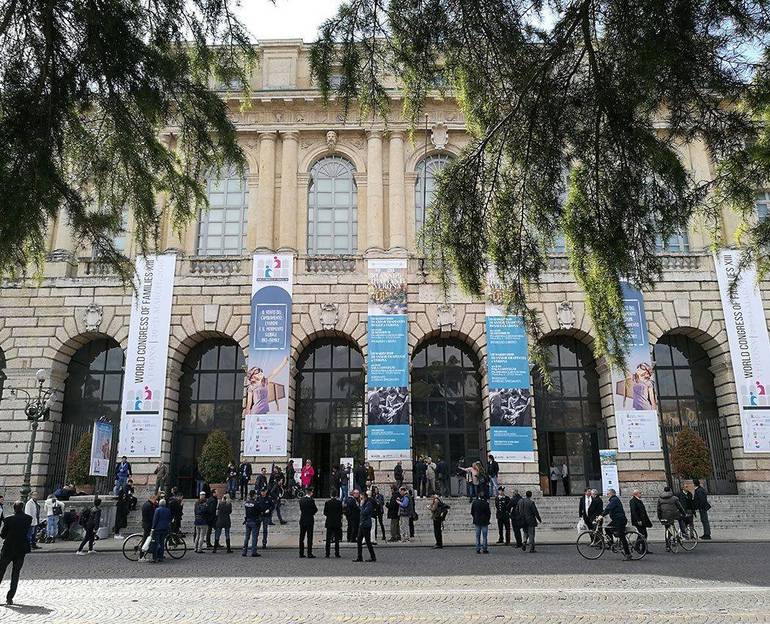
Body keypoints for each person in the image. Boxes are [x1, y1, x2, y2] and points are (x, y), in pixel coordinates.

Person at [0, 501, 32, 605]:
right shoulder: (28, 519)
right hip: (21, 549)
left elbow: (3, 535)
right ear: (22, 508)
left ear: (14, 508)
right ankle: (10, 597)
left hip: (8, 548)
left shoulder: (8, 519)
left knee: (1, 572)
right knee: (15, 574)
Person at [600, 489, 631, 560]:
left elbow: (608, 508)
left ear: (611, 494)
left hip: (620, 520)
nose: (607, 495)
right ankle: (612, 545)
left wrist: (601, 515)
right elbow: (607, 508)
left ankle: (628, 554)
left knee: (621, 536)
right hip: (616, 520)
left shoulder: (614, 499)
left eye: (608, 494)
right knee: (607, 529)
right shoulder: (613, 500)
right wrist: (601, 514)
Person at [657, 486, 687, 551]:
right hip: (674, 515)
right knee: (680, 519)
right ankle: (684, 532)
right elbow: (680, 507)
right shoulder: (674, 498)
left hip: (664, 515)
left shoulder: (660, 499)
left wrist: (659, 517)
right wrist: (684, 513)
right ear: (670, 490)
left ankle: (667, 546)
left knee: (667, 529)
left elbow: (658, 509)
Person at [354, 490, 376, 562]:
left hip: (366, 525)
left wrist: (361, 506)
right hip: (362, 524)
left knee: (368, 541)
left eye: (361, 498)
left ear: (365, 498)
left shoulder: (368, 504)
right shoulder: (364, 504)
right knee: (359, 540)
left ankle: (373, 557)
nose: (360, 499)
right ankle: (359, 556)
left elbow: (364, 513)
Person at [150, 498, 171, 563]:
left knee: (156, 543)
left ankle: (155, 558)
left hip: (158, 529)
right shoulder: (168, 510)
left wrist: (153, 528)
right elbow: (169, 519)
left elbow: (155, 520)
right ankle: (161, 557)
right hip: (165, 528)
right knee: (162, 543)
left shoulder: (157, 510)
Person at [298, 487, 317, 558]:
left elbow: (301, 509)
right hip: (309, 520)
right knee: (309, 537)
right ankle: (309, 553)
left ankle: (301, 553)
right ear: (311, 493)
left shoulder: (301, 500)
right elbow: (315, 509)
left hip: (302, 519)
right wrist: (311, 513)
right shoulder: (311, 500)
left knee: (301, 537)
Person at [241, 490, 260, 557]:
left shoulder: (246, 503)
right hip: (254, 521)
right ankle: (253, 551)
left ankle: (244, 551)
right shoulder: (255, 503)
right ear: (254, 495)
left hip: (248, 520)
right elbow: (259, 511)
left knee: (247, 537)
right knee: (254, 537)